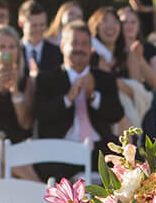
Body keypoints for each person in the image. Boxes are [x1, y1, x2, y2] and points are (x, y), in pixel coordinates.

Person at [32, 22, 122, 162]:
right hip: (60, 151)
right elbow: (41, 114)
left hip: (99, 150)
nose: (79, 48)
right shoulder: (47, 78)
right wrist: (67, 99)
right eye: (74, 43)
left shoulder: (105, 78)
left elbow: (116, 114)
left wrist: (93, 97)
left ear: (91, 48)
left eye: (85, 44)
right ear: (62, 46)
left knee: (138, 167)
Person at [117, 6, 156, 143]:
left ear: (139, 25)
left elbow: (155, 82)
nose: (129, 26)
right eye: (125, 22)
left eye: (133, 22)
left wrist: (138, 56)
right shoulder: (113, 50)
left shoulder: (149, 49)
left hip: (145, 102)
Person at [19, 0, 58, 72]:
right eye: (34, 25)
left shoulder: (56, 53)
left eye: (42, 25)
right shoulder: (15, 50)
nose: (38, 29)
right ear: (21, 24)